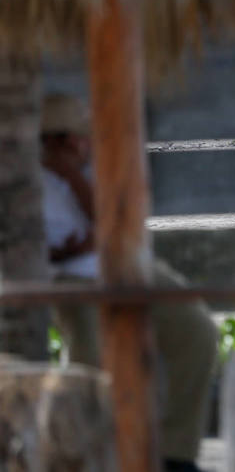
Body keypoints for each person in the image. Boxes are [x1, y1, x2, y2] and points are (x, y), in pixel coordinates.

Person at [40, 93, 218, 472]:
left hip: (123, 264)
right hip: (69, 279)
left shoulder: (84, 175)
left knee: (196, 331)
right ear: (55, 140)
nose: (84, 146)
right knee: (91, 357)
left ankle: (174, 452)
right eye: (75, 139)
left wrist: (73, 178)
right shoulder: (20, 182)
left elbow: (112, 224)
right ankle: (93, 454)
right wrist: (67, 250)